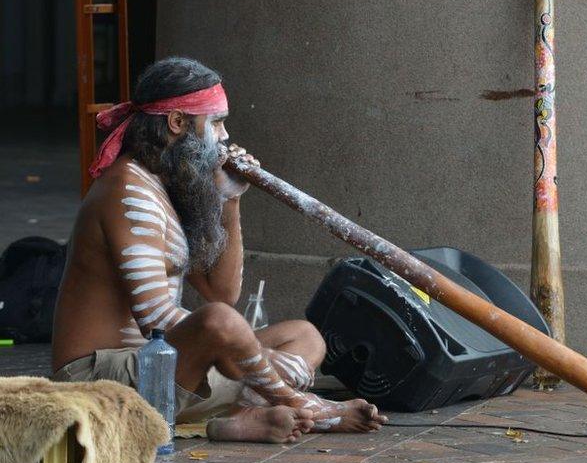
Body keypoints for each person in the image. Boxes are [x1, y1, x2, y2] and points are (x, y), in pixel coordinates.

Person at [51, 57, 388, 442]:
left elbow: (222, 292)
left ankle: (235, 417)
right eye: (215, 122)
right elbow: (155, 319)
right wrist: (251, 357)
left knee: (304, 335)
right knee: (220, 325)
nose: (225, 137)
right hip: (97, 382)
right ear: (177, 123)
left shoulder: (167, 184)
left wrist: (230, 200)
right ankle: (303, 406)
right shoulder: (127, 191)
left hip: (164, 370)